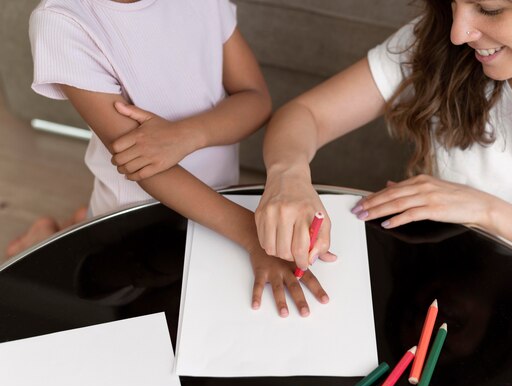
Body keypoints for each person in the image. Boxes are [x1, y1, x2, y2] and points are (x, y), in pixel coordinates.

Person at [254, 0, 512, 321]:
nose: (459, 33)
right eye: (453, 4)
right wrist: (288, 176)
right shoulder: (442, 40)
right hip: (439, 285)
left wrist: (487, 211)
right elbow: (305, 115)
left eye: (489, 9)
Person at [16, 0, 328, 317]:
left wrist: (188, 135)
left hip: (221, 212)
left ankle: (73, 223)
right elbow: (144, 164)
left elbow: (256, 98)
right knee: (106, 297)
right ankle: (47, 235)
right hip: (133, 226)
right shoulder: (63, 21)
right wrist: (252, 238)